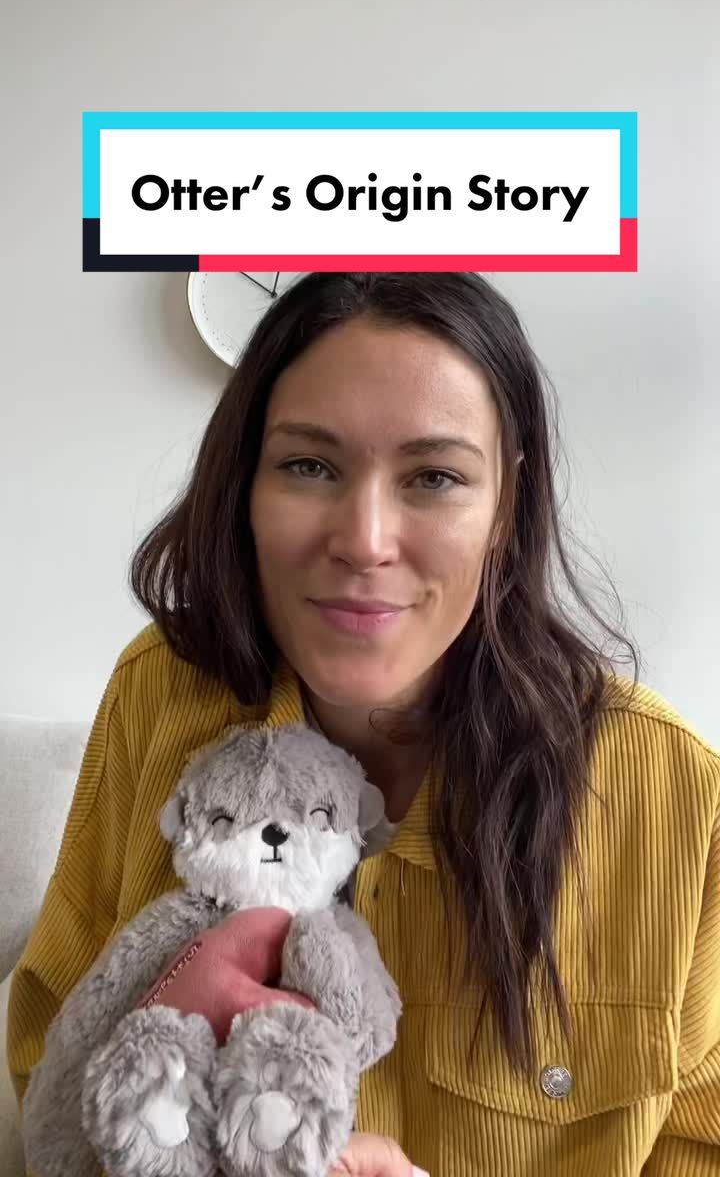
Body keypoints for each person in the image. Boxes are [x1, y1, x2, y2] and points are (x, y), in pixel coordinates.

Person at [7, 271, 719, 1177]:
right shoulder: (158, 693)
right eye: (310, 466)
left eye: (435, 477)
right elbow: (50, 1036)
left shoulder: (676, 794)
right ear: (245, 485)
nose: (365, 539)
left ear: (505, 508)